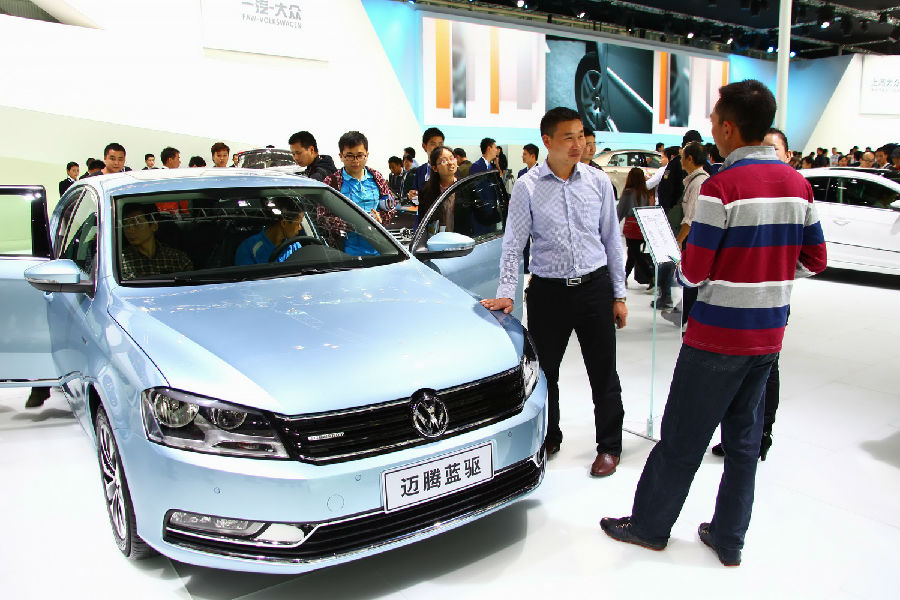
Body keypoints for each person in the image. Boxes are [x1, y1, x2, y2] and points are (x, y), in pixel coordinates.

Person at [600, 79, 827, 567]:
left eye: (714, 121)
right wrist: (769, 272)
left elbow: (694, 271)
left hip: (716, 339)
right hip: (768, 337)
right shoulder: (798, 185)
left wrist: (706, 267)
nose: (711, 128)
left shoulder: (721, 188)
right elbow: (816, 259)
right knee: (744, 443)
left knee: (682, 437)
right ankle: (729, 538)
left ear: (728, 128)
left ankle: (649, 526)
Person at [480, 107, 628, 478]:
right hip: (549, 293)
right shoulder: (528, 186)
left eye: (581, 136)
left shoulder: (597, 182)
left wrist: (619, 295)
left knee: (603, 372)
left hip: (594, 288)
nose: (578, 144)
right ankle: (550, 435)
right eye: (568, 137)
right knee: (546, 372)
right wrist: (507, 292)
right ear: (547, 141)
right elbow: (513, 244)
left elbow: (612, 239)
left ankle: (609, 446)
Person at [709, 125, 792, 461]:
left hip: (770, 301)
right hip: (735, 301)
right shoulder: (737, 186)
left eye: (773, 150)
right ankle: (738, 436)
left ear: (787, 156)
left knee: (765, 370)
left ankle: (761, 434)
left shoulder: (794, 192)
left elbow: (812, 257)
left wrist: (775, 273)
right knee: (735, 370)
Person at [322, 131, 395, 255]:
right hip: (347, 251)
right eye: (350, 156)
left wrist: (381, 217)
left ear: (367, 155)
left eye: (360, 155)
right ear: (341, 156)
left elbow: (390, 206)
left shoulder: (376, 177)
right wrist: (354, 224)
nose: (355, 161)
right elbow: (323, 217)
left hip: (380, 249)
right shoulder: (332, 181)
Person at [671, 141, 710, 318]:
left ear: (690, 159)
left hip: (692, 239)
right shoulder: (694, 180)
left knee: (691, 279)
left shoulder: (698, 182)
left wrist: (679, 240)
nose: (680, 160)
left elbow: (690, 218)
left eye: (682, 157)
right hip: (691, 237)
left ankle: (688, 317)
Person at [120, 203, 193, 280]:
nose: (129, 230)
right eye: (125, 224)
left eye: (136, 223)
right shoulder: (120, 262)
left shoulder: (178, 259)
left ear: (154, 226)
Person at [234, 198, 306, 265]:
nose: (300, 228)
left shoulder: (294, 246)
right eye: (298, 223)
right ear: (284, 223)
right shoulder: (249, 248)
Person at [617, 167, 653, 287]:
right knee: (632, 253)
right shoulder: (646, 193)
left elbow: (620, 211)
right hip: (642, 227)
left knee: (635, 254)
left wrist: (613, 224)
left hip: (631, 227)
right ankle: (624, 278)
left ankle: (652, 278)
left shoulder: (628, 193)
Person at [416, 146, 458, 229]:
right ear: (434, 168)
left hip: (460, 236)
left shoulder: (465, 186)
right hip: (436, 236)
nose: (450, 163)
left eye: (452, 158)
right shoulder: (426, 191)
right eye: (444, 161)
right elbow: (422, 222)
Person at [413, 127, 445, 191]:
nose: (437, 148)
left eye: (440, 144)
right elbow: (416, 190)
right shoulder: (419, 171)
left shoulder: (450, 169)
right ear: (424, 146)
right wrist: (413, 193)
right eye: (433, 144)